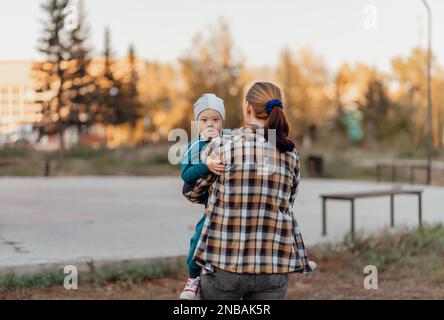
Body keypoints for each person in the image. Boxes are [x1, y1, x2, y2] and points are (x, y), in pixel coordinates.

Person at [186, 82, 316, 300]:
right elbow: (288, 201)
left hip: (225, 264)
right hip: (274, 266)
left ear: (248, 108)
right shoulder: (289, 152)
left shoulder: (223, 146)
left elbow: (193, 193)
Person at [179, 93, 229, 300]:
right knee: (199, 236)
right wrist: (205, 166)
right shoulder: (193, 146)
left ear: (222, 122)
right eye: (204, 119)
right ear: (197, 122)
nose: (210, 124)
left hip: (232, 200)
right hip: (212, 205)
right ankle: (193, 279)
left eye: (216, 119)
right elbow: (186, 175)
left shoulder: (230, 138)